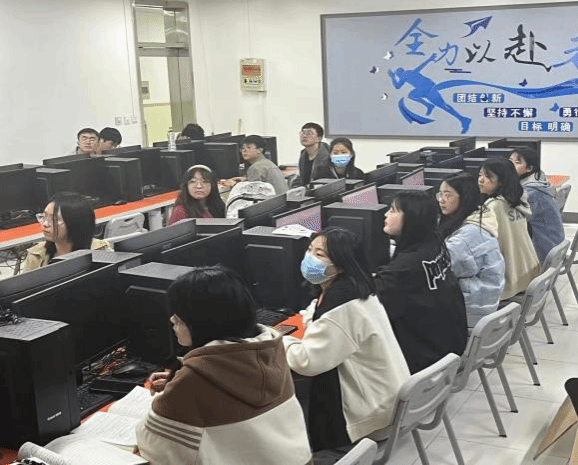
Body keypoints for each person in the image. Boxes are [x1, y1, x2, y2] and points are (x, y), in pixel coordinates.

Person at [136, 266, 312, 465]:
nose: (172, 320)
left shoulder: (194, 380)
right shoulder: (271, 351)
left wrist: (177, 387)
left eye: (178, 315)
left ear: (201, 321)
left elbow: (153, 445)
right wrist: (180, 378)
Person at [282, 227, 409, 451]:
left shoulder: (339, 307)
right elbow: (318, 311)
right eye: (310, 250)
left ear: (341, 265)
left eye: (320, 254)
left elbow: (306, 362)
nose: (309, 258)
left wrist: (279, 339)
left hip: (372, 417)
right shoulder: (357, 288)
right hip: (390, 399)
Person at [375, 191, 468, 374]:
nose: (386, 215)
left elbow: (372, 307)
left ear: (411, 218)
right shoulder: (434, 242)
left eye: (393, 210)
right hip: (448, 345)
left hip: (425, 357)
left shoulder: (404, 268)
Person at [437, 174, 505, 327]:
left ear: (464, 198)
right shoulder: (480, 215)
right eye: (440, 194)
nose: (441, 200)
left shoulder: (468, 236)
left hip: (474, 312)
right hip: (486, 301)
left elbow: (440, 266)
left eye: (448, 195)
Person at [478, 158, 539, 300]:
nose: (481, 180)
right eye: (480, 174)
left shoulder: (493, 206)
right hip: (530, 273)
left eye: (488, 176)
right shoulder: (517, 201)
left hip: (511, 280)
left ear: (501, 181)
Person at [22, 192, 109, 273]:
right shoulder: (36, 256)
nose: (45, 224)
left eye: (54, 219)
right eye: (44, 216)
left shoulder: (100, 251)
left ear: (75, 223)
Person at [509, 147, 565, 262]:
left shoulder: (531, 192)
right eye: (510, 161)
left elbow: (512, 221)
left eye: (517, 162)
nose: (510, 165)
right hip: (554, 245)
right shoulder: (538, 180)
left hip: (544, 251)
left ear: (529, 168)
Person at [222, 135, 288, 194]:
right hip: (280, 201)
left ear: (259, 150)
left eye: (248, 147)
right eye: (243, 148)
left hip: (271, 202)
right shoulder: (267, 163)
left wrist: (234, 185)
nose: (244, 150)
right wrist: (246, 179)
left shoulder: (256, 168)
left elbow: (251, 194)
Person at [295, 122, 330, 187]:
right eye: (303, 133)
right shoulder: (303, 154)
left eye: (309, 134)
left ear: (319, 138)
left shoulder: (328, 155)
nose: (304, 136)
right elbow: (302, 178)